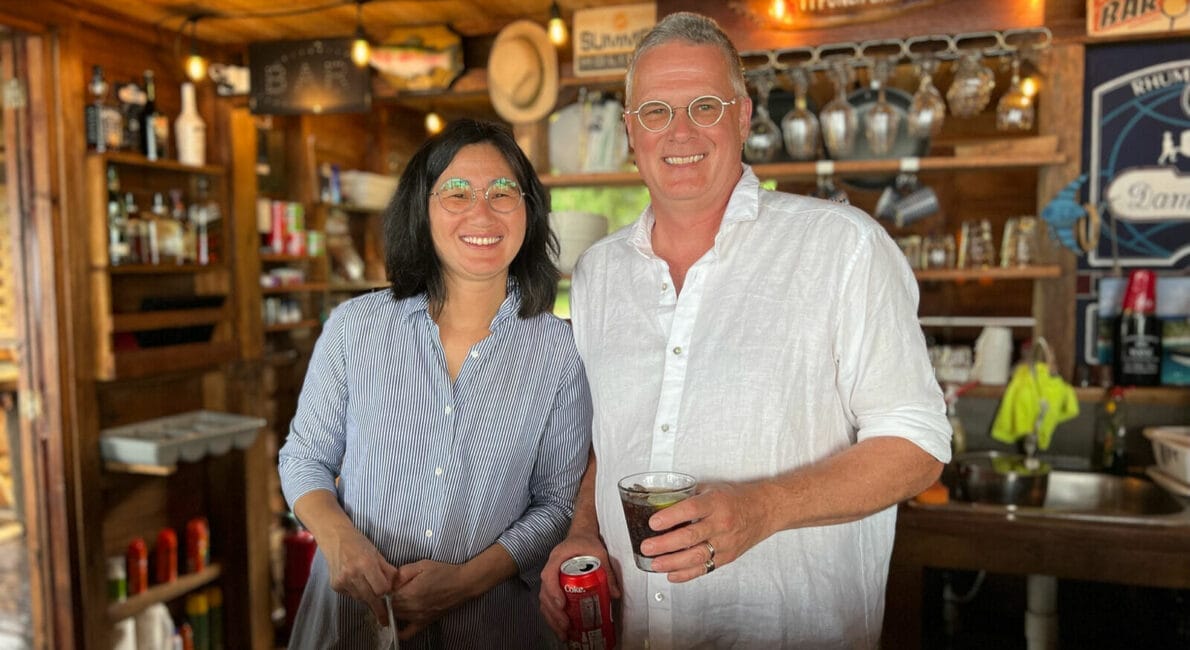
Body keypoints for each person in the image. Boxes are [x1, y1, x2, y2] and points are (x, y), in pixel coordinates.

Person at [539, 12, 952, 649]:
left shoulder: (844, 248)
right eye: (655, 111)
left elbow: (917, 444)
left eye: (705, 106)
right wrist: (584, 529)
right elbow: (611, 433)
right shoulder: (598, 273)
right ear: (630, 131)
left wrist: (765, 508)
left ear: (742, 116)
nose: (679, 132)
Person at [279, 118, 592, 649]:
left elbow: (557, 503)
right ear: (421, 211)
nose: (482, 212)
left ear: (528, 210)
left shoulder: (561, 350)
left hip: (491, 628)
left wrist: (464, 582)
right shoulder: (357, 327)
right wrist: (340, 541)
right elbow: (304, 457)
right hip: (353, 625)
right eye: (456, 192)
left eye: (502, 193)